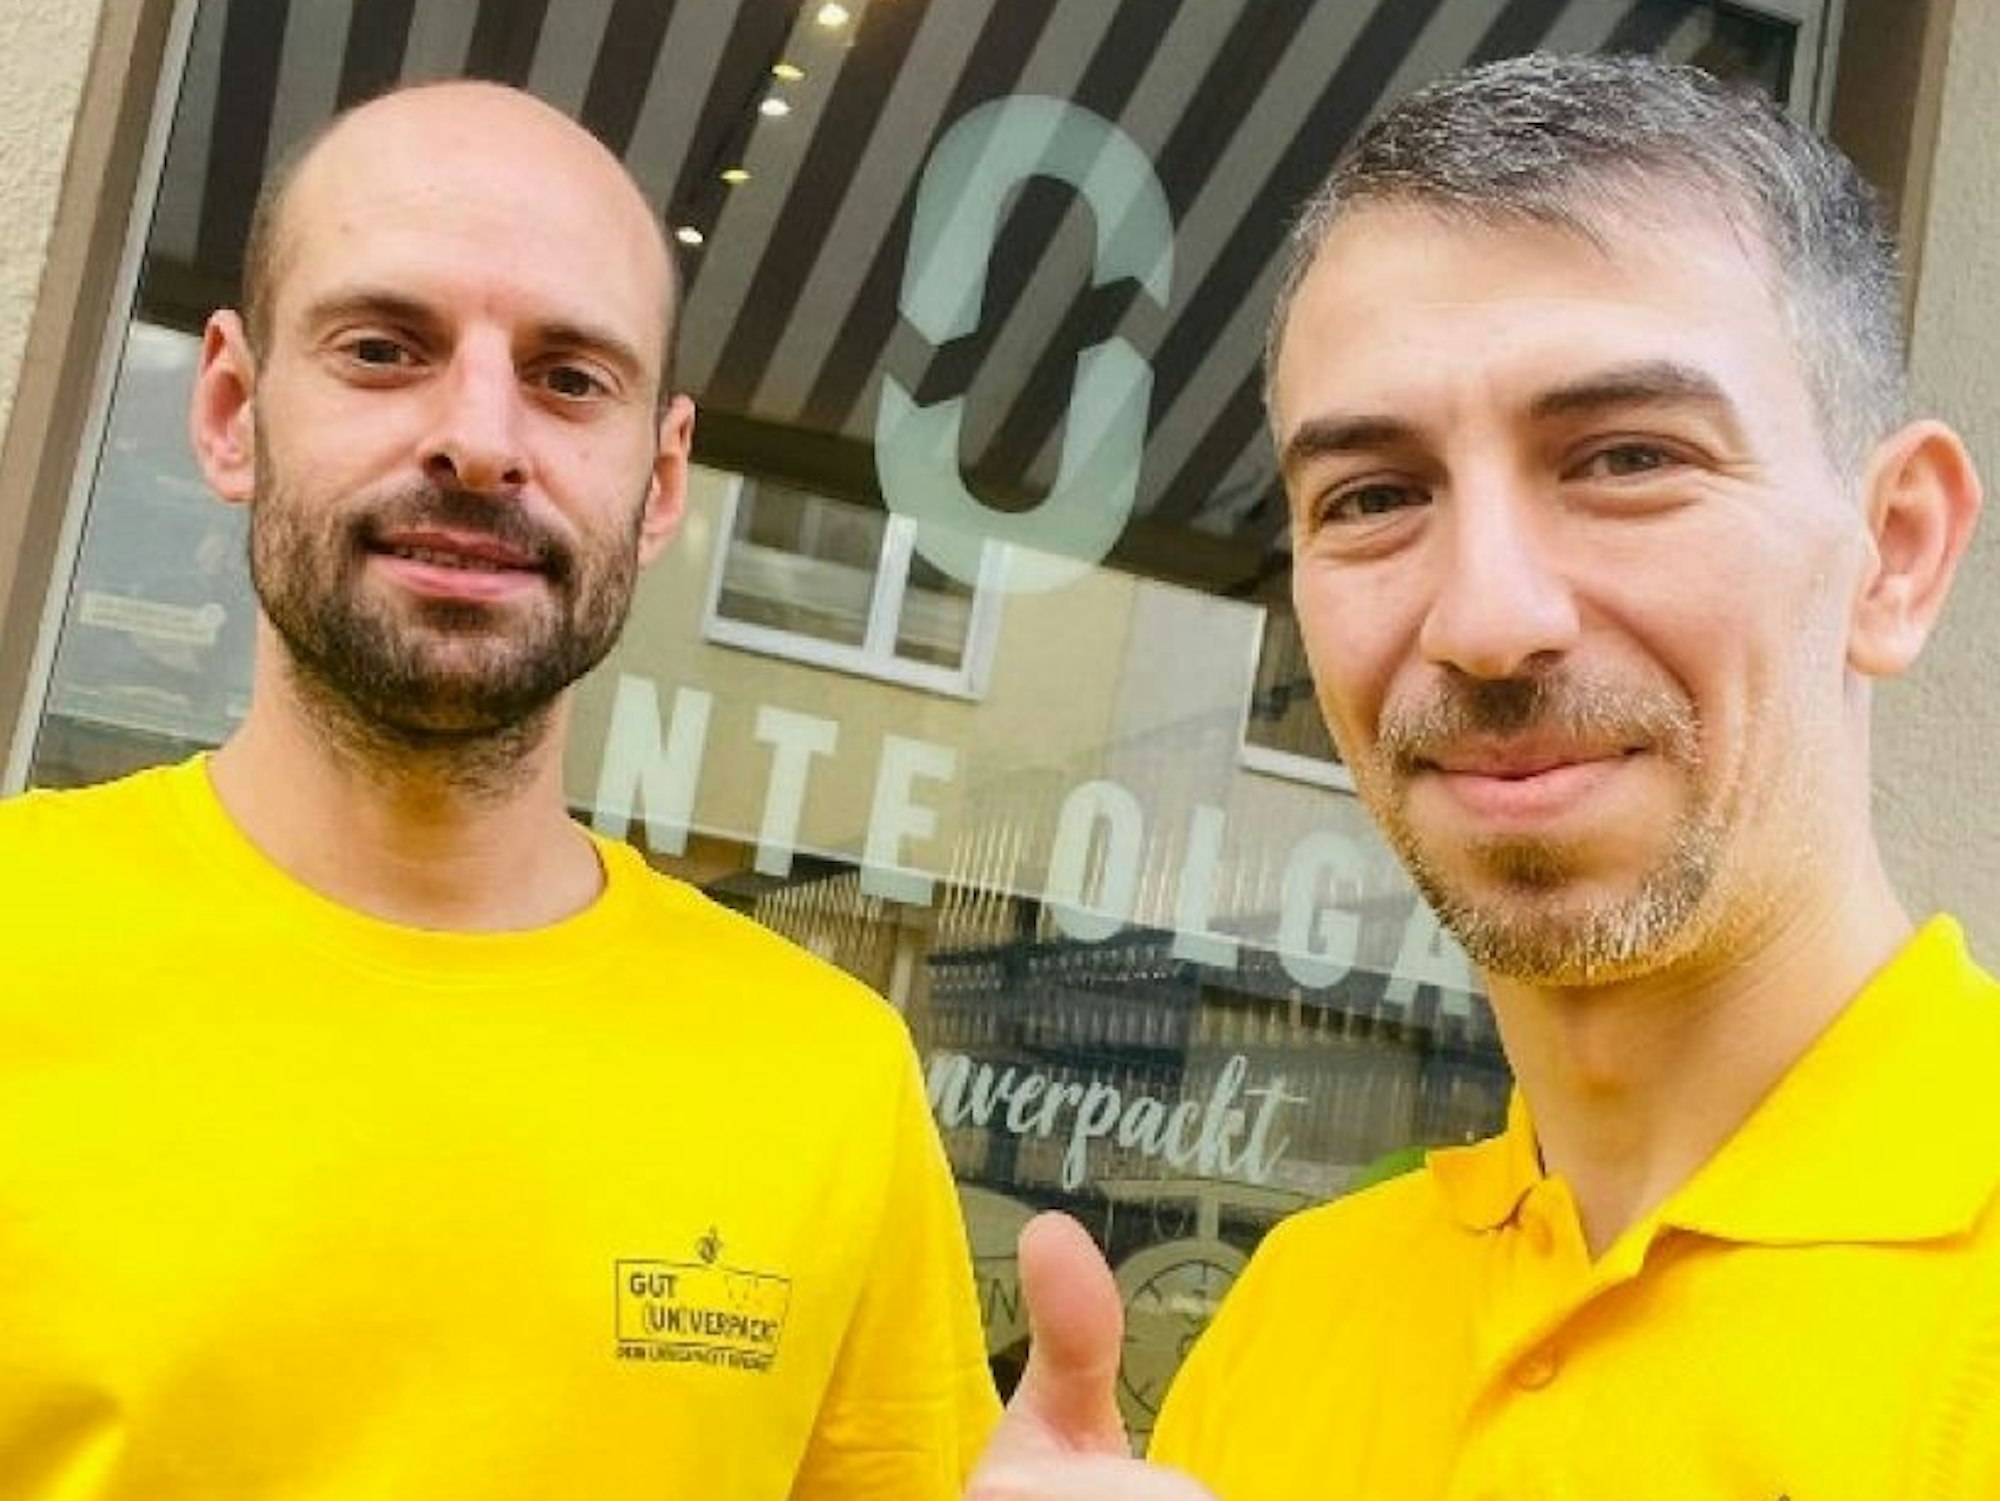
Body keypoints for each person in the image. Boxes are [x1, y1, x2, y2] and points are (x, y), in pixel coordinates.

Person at [967, 51, 1998, 1501]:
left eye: (1628, 457)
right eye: (1376, 496)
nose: (1488, 617)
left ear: (1894, 553)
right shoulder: (1288, 1320)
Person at [0, 80, 997, 1499]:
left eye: (569, 376)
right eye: (384, 347)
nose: (479, 438)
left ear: (659, 484)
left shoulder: (831, 1080)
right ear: (230, 410)